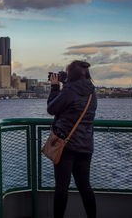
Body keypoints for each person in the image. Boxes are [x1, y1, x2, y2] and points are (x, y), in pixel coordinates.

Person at [47, 60, 97, 218]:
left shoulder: (70, 90)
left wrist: (55, 87)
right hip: (86, 145)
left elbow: (51, 108)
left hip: (66, 145)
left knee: (62, 187)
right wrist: (66, 83)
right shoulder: (91, 91)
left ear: (71, 75)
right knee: (84, 186)